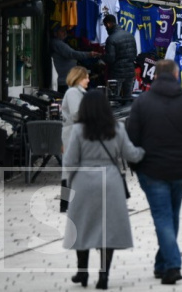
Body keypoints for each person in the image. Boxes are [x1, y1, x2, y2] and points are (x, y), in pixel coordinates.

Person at [126, 60, 182, 285]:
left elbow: (131, 139)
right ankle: (162, 263)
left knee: (163, 217)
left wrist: (137, 166)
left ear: (154, 76)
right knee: (171, 216)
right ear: (175, 75)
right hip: (180, 170)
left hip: (151, 171)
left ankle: (172, 265)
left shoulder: (142, 103)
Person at [63, 90, 145, 290]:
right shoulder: (116, 128)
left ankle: (82, 272)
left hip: (83, 182)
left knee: (82, 227)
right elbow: (131, 154)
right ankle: (104, 275)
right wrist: (144, 151)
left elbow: (70, 162)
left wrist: (66, 192)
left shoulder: (78, 130)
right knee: (107, 230)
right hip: (110, 182)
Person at [60, 66, 89, 213]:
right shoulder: (73, 92)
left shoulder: (77, 92)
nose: (88, 80)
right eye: (85, 77)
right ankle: (66, 203)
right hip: (72, 134)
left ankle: (71, 202)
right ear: (78, 78)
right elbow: (77, 114)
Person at [50, 26, 98, 93]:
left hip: (64, 79)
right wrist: (89, 54)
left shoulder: (60, 43)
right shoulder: (57, 43)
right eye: (62, 31)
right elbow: (72, 54)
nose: (65, 33)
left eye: (65, 31)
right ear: (55, 33)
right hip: (62, 80)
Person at [102, 14, 138, 98]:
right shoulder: (130, 35)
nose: (106, 28)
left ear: (108, 24)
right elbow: (134, 54)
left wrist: (101, 56)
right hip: (130, 72)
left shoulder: (111, 38)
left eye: (105, 26)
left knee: (113, 98)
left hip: (117, 72)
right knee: (127, 97)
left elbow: (110, 59)